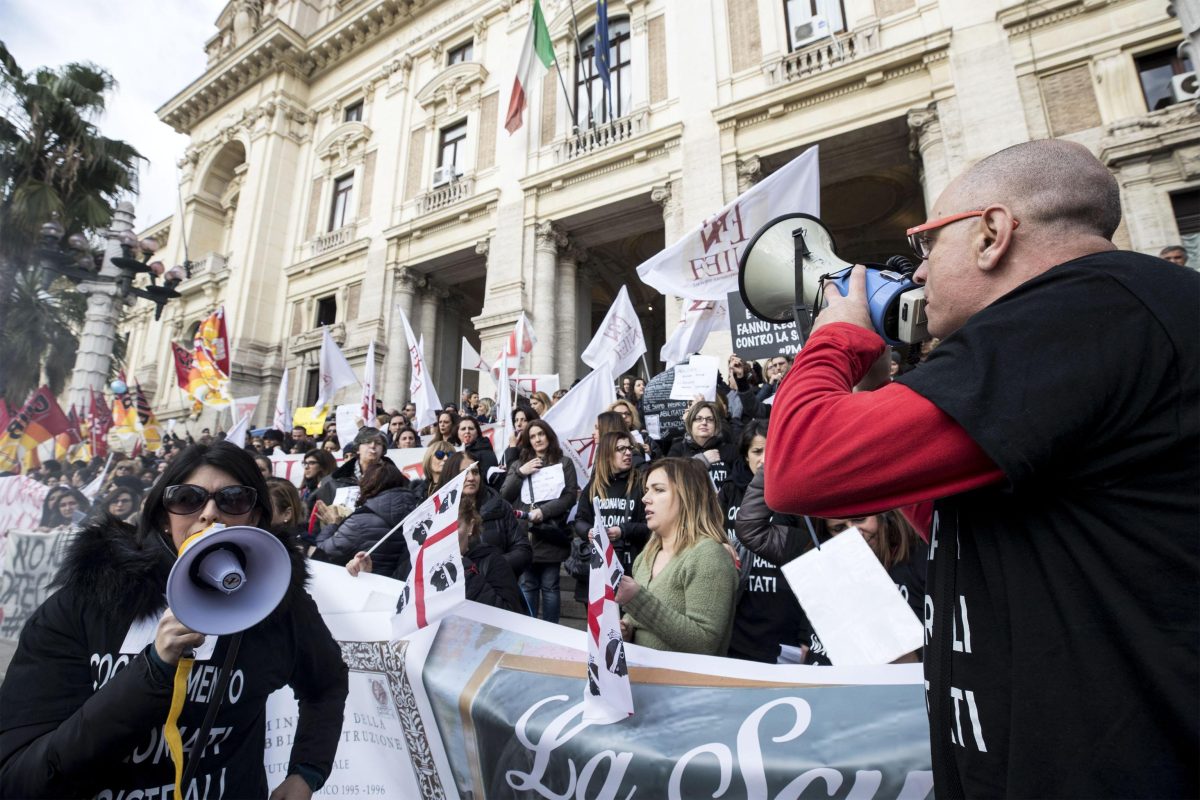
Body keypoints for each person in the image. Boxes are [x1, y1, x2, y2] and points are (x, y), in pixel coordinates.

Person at [764, 139, 1199, 798]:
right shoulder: (1088, 323)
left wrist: (837, 336)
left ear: (993, 234)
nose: (915, 275)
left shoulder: (1083, 308)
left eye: (927, 246)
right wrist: (880, 393)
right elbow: (951, 521)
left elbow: (800, 469)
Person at [0, 441, 348, 798]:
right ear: (164, 517)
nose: (210, 513)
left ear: (256, 516)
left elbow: (327, 683)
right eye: (187, 498)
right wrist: (152, 671)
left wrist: (307, 771)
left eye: (234, 499)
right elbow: (19, 778)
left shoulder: (280, 606)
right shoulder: (86, 602)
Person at [614, 457, 737, 655]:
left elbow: (705, 643)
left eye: (659, 489)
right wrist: (627, 628)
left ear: (688, 496)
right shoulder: (645, 557)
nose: (645, 498)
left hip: (686, 685)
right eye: (647, 490)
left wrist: (638, 600)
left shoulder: (708, 555)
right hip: (643, 681)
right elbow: (638, 618)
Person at [501, 421, 579, 623]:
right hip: (525, 536)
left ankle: (551, 630)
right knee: (527, 585)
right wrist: (520, 473)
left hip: (551, 533)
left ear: (549, 436)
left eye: (541, 434)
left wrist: (543, 512)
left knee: (551, 586)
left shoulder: (564, 463)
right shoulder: (519, 464)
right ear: (528, 441)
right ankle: (529, 630)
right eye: (533, 436)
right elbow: (505, 496)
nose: (537, 439)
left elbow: (570, 496)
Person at [313, 461, 419, 578]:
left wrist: (332, 524)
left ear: (367, 484)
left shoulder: (359, 522)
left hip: (371, 589)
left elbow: (322, 552)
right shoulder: (420, 511)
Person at [574, 431, 649, 575]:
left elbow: (651, 526)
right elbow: (580, 520)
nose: (628, 453)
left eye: (629, 448)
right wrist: (588, 532)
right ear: (607, 454)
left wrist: (623, 531)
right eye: (621, 449)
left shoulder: (641, 483)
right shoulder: (594, 485)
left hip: (632, 566)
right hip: (599, 567)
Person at [667, 400, 738, 485]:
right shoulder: (678, 449)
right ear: (690, 424)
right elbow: (670, 477)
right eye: (698, 419)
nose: (704, 422)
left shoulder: (731, 451)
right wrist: (702, 460)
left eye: (710, 419)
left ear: (716, 426)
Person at [456, 415, 499, 480]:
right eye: (463, 429)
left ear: (477, 432)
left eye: (471, 428)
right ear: (457, 433)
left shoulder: (486, 452)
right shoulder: (454, 450)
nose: (467, 431)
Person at [299, 448, 337, 515]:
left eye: (311, 463)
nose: (306, 467)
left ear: (323, 466)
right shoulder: (306, 489)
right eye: (305, 463)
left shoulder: (328, 488)